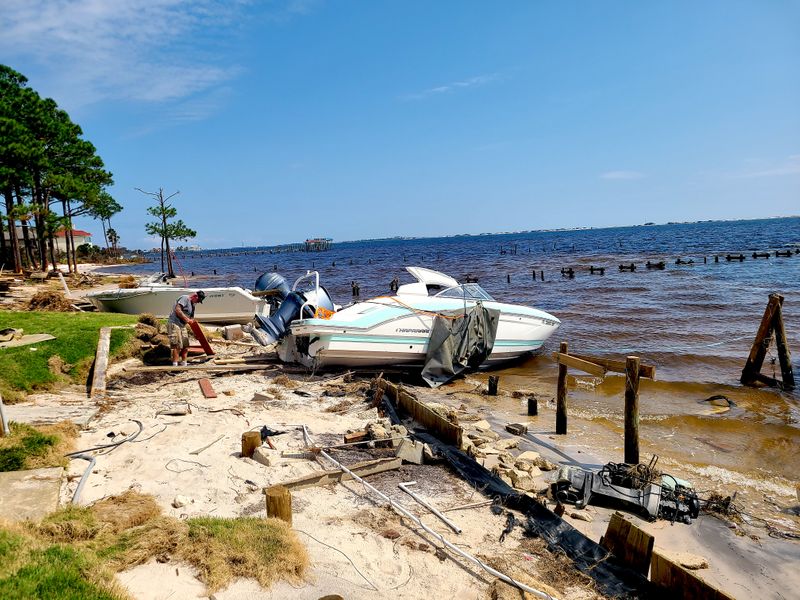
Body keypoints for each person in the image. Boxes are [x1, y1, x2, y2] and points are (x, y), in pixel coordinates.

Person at [168, 290, 205, 366]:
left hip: (182, 325)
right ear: (195, 296)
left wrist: (196, 333)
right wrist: (187, 320)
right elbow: (178, 310)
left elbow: (191, 320)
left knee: (186, 346)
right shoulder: (185, 298)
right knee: (177, 345)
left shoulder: (193, 306)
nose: (197, 302)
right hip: (174, 323)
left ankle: (184, 363)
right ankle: (175, 365)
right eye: (198, 300)